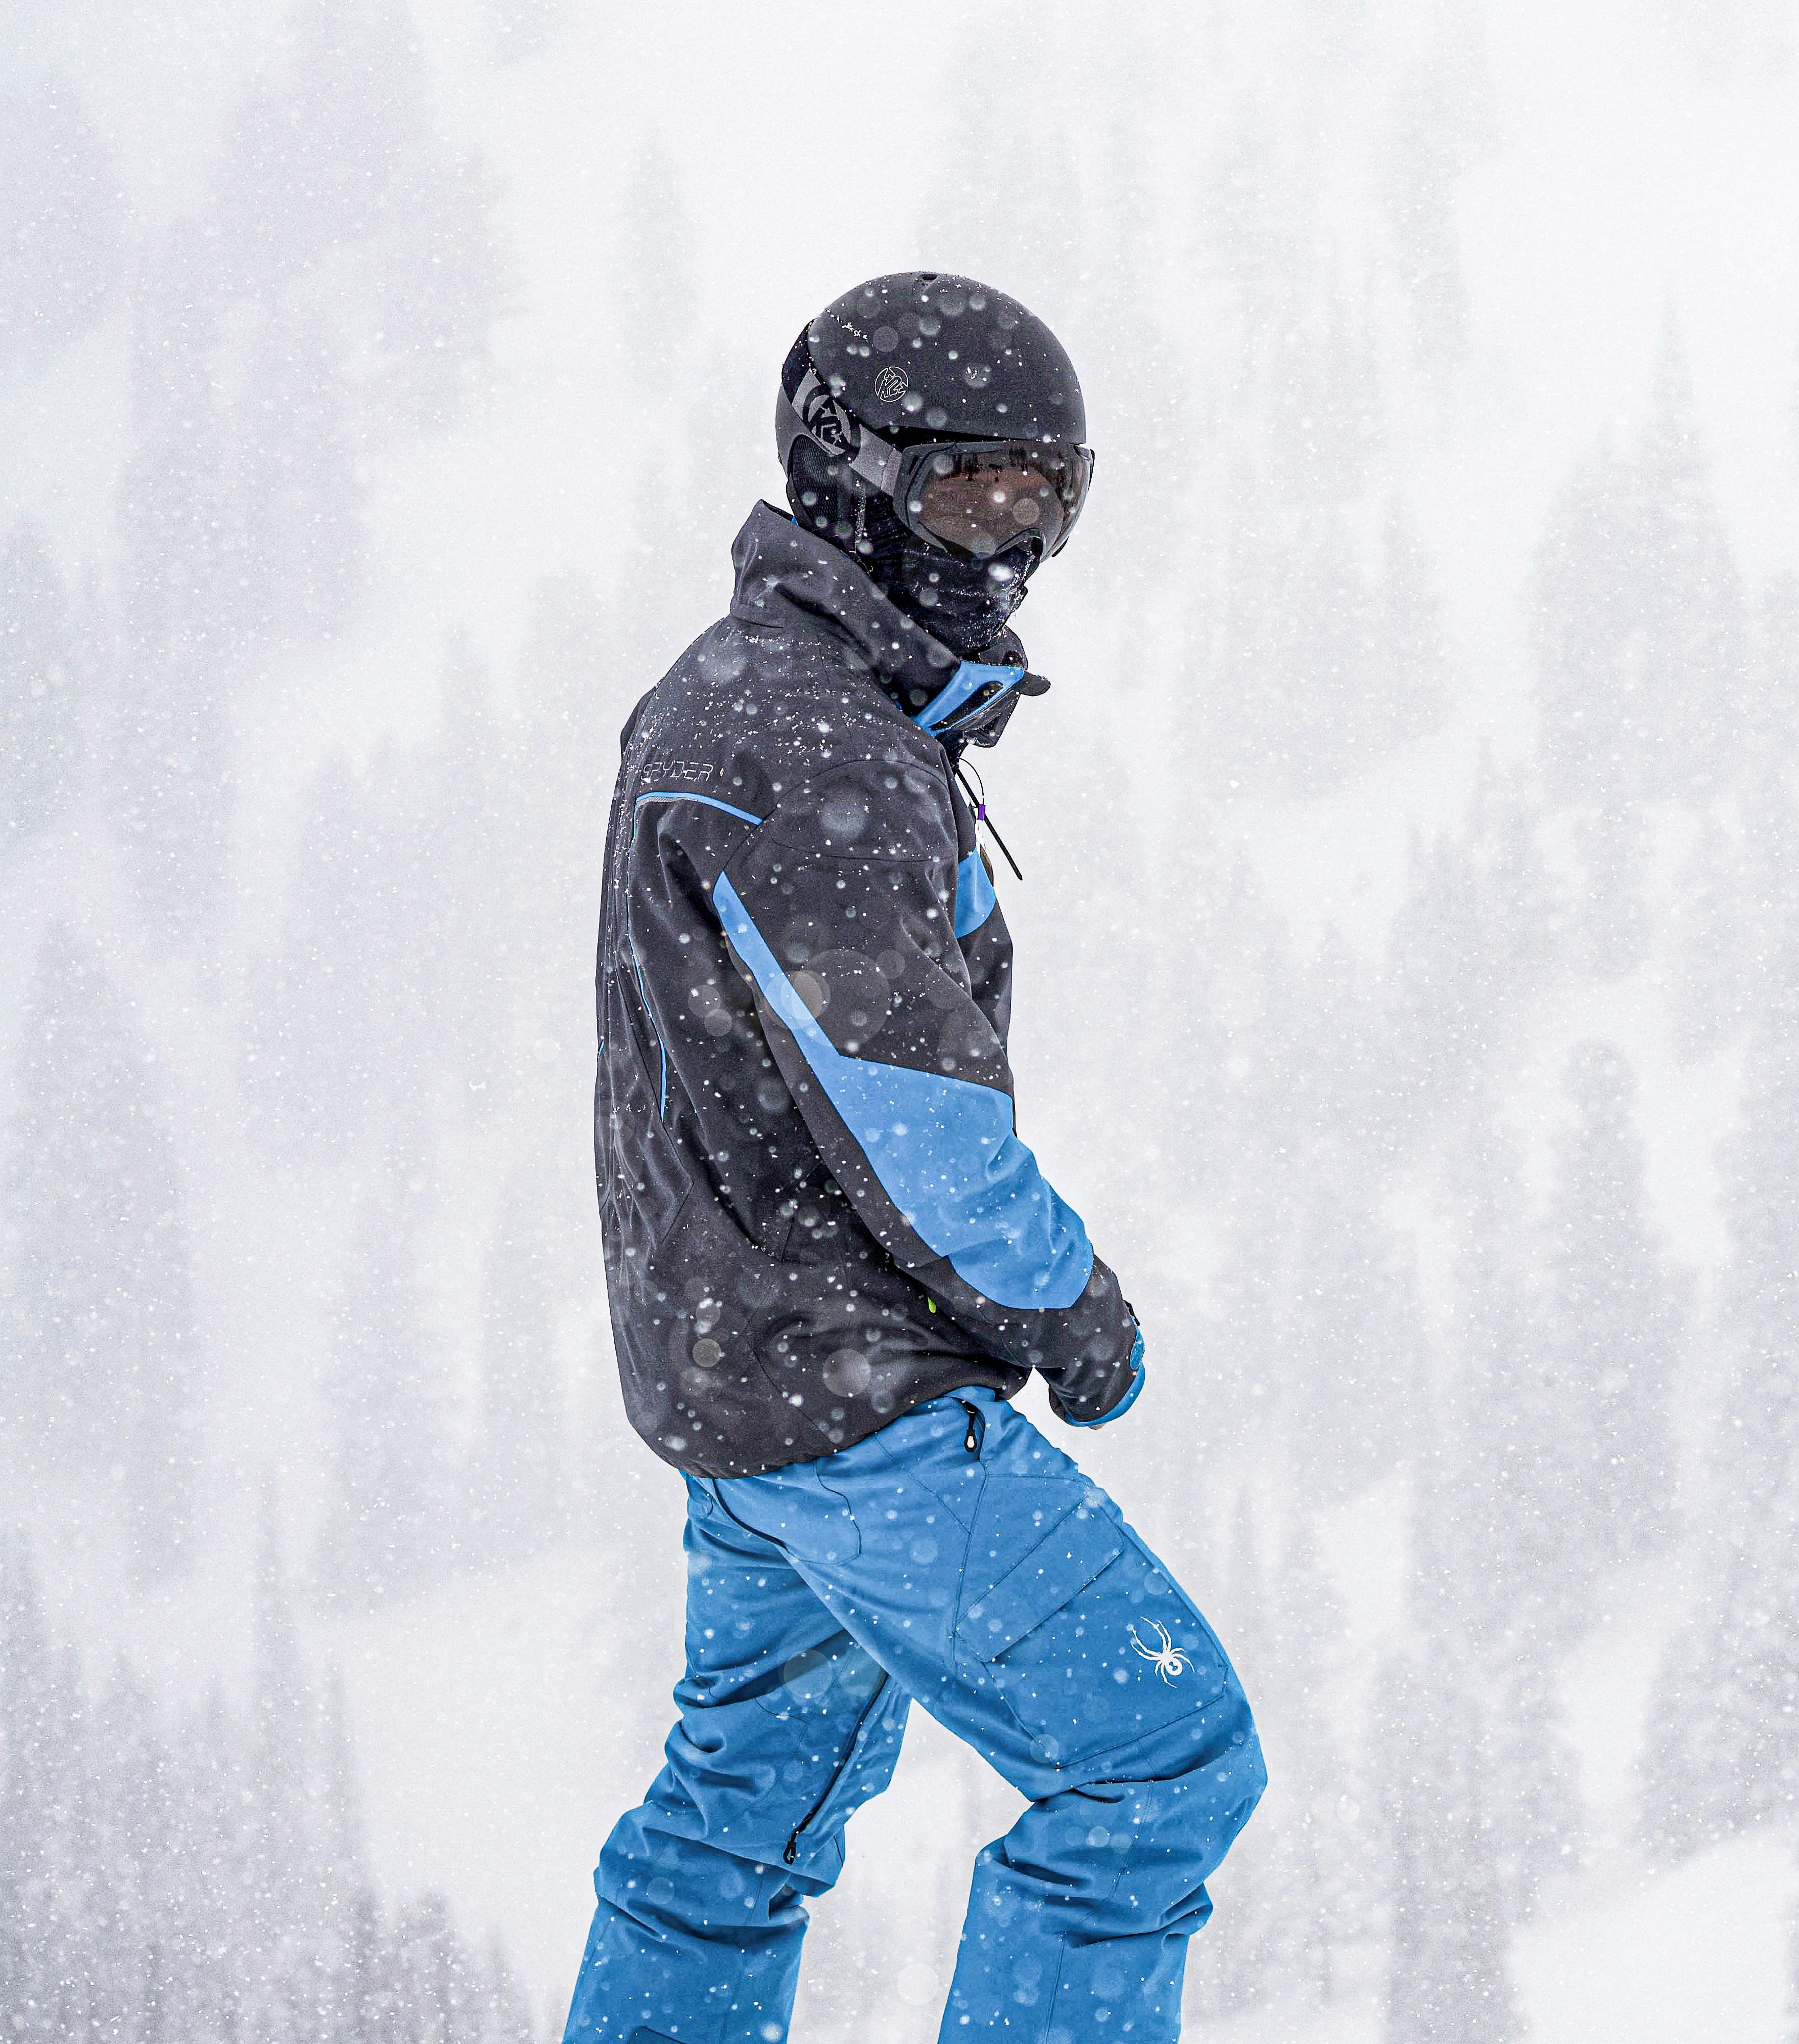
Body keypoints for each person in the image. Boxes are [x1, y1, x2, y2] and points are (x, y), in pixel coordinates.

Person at [567, 272, 1261, 2044]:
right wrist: (1070, 1303)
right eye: (973, 493)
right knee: (1156, 1767)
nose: (1013, 546)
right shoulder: (804, 741)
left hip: (749, 1373)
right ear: (848, 470)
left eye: (1049, 498)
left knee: (739, 1823)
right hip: (851, 1396)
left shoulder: (768, 701)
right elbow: (918, 1122)